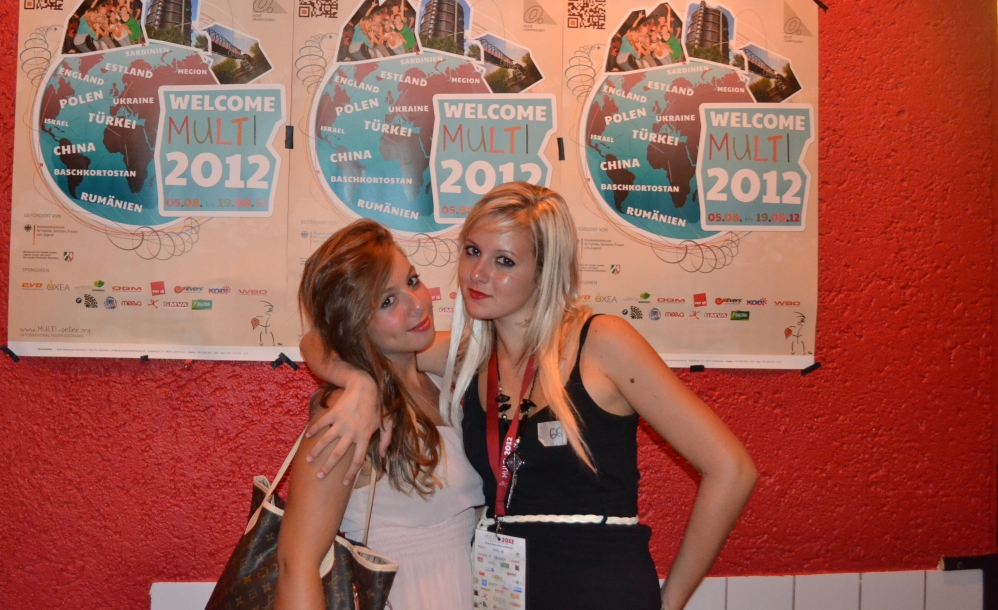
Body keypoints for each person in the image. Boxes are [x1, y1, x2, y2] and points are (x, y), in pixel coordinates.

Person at [301, 183, 757, 610]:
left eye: (505, 261)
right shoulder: (468, 356)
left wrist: (669, 602)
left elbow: (732, 470)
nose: (478, 274)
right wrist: (358, 383)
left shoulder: (601, 344)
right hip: (503, 595)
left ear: (543, 272)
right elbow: (327, 337)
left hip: (602, 593)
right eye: (473, 251)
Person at [276, 220, 483, 610]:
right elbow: (296, 564)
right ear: (354, 323)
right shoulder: (347, 414)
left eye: (413, 281)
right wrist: (358, 381)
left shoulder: (439, 381)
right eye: (387, 302)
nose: (417, 304)